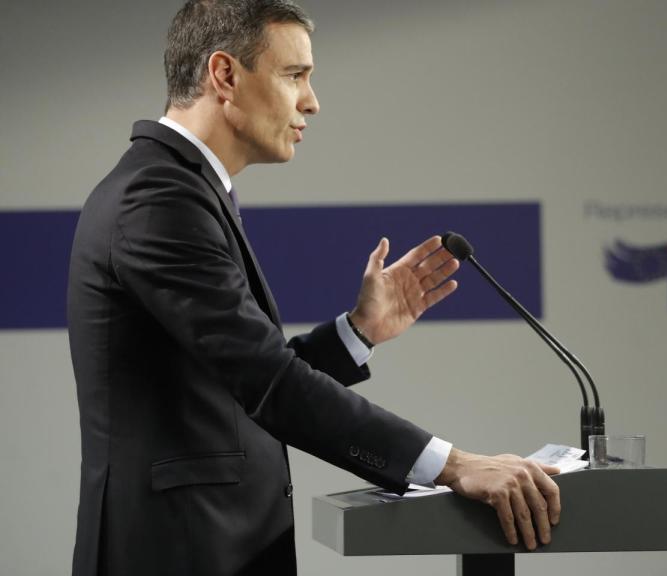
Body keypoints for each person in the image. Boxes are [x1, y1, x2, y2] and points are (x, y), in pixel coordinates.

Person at [67, 1, 560, 575]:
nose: (312, 101)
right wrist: (452, 465)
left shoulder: (183, 189)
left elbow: (236, 385)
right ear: (225, 75)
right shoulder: (160, 200)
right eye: (294, 75)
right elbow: (269, 383)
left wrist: (358, 332)